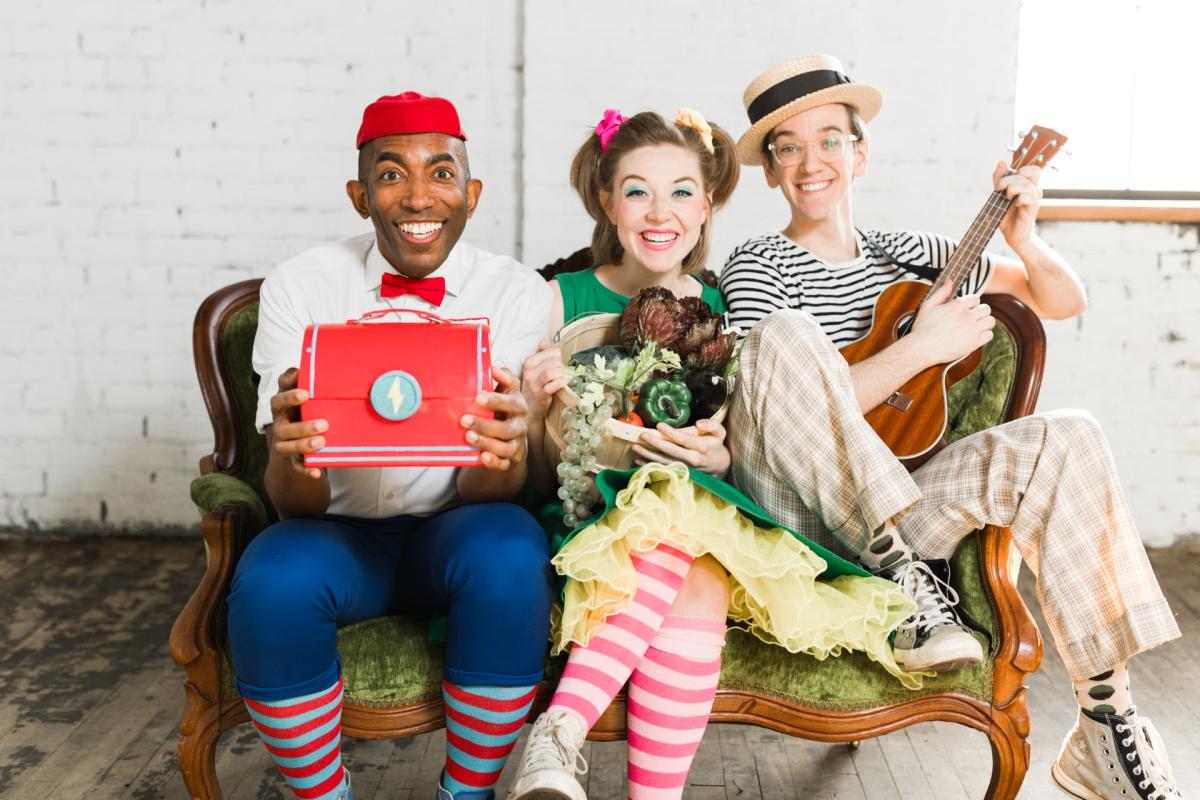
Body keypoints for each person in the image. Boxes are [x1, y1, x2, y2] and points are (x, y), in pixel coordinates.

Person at [720, 55, 1185, 800]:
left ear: (859, 153)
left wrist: (1029, 236)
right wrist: (919, 351)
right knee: (782, 339)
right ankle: (900, 575)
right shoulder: (758, 265)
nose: (812, 162)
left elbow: (1061, 301)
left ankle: (1105, 720)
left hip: (909, 514)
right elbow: (764, 401)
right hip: (800, 515)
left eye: (830, 140)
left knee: (1072, 434)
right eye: (789, 147)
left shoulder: (917, 255)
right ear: (772, 171)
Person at [506, 108, 917, 800]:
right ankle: (558, 737)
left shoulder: (724, 307)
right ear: (607, 202)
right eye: (636, 191)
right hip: (587, 525)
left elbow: (743, 454)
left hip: (700, 521)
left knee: (696, 563)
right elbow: (537, 475)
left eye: (682, 191)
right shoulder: (556, 302)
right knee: (677, 545)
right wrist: (534, 408)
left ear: (707, 205)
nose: (660, 211)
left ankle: (558, 739)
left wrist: (717, 460)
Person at [232, 92, 557, 800]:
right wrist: (291, 452)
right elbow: (293, 507)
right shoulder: (299, 287)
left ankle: (466, 793)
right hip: (334, 534)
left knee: (510, 549)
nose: (418, 196)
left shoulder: (518, 295)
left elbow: (498, 489)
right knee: (269, 581)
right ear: (359, 196)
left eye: (441, 174)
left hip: (458, 526)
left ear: (470, 194)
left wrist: (504, 452)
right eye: (390, 174)